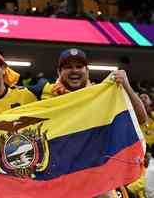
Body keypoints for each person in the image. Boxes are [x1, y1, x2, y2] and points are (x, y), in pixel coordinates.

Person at [40, 48, 147, 198]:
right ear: (59, 72)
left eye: (79, 67)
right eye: (68, 67)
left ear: (87, 71)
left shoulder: (104, 95)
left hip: (98, 179)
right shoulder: (44, 96)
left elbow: (141, 118)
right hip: (59, 180)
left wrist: (127, 87)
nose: (74, 71)